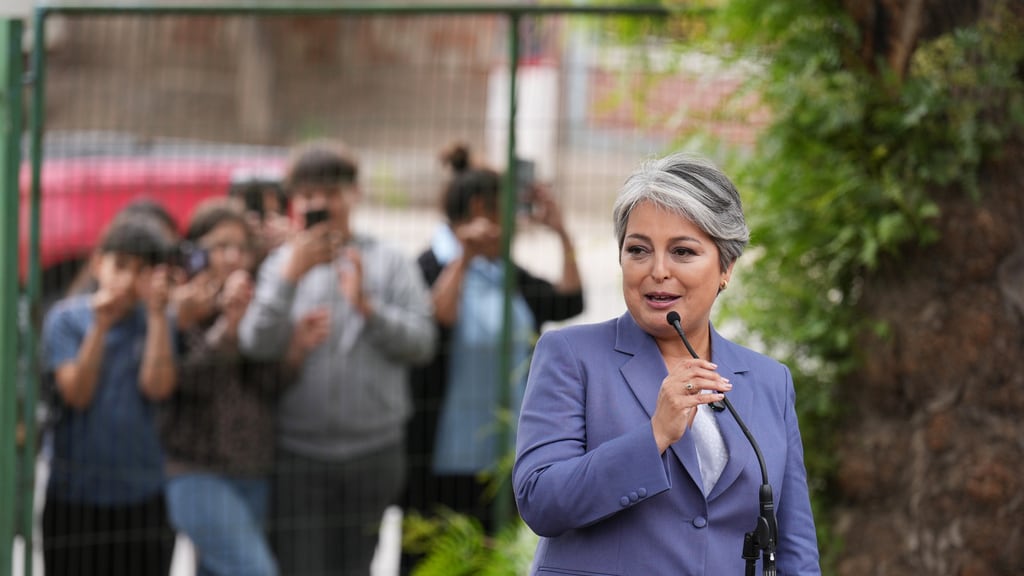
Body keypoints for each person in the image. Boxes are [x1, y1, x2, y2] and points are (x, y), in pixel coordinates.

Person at [512, 152, 821, 574]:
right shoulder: (570, 355)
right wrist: (655, 434)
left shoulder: (770, 381)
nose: (658, 271)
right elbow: (540, 501)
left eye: (682, 251)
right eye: (638, 249)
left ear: (726, 267)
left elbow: (794, 546)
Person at [239, 139, 437, 575]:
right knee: (300, 566)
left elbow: (422, 343)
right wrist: (291, 275)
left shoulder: (390, 261)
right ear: (296, 201)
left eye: (331, 192)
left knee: (356, 567)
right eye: (309, 195)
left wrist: (369, 308)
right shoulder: (279, 266)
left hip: (375, 451)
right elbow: (255, 344)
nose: (321, 203)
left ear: (354, 193)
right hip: (299, 452)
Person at [401, 143, 583, 567]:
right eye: (507, 209)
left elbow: (569, 301)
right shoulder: (429, 265)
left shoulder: (507, 272)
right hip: (440, 458)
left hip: (504, 456)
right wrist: (464, 258)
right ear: (483, 208)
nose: (516, 221)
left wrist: (561, 233)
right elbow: (435, 320)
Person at [158, 198, 327, 576]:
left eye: (241, 247)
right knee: (256, 570)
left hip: (252, 468)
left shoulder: (260, 303)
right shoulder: (179, 307)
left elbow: (268, 385)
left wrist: (295, 348)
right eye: (220, 246)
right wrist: (228, 328)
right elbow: (186, 383)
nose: (233, 257)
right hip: (197, 471)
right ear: (196, 252)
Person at [40, 216, 178, 576]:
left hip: (142, 497)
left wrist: (159, 317)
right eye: (120, 266)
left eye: (142, 271)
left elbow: (158, 386)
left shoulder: (158, 321)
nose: (129, 281)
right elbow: (77, 394)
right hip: (76, 498)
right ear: (98, 263)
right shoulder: (66, 319)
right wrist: (99, 329)